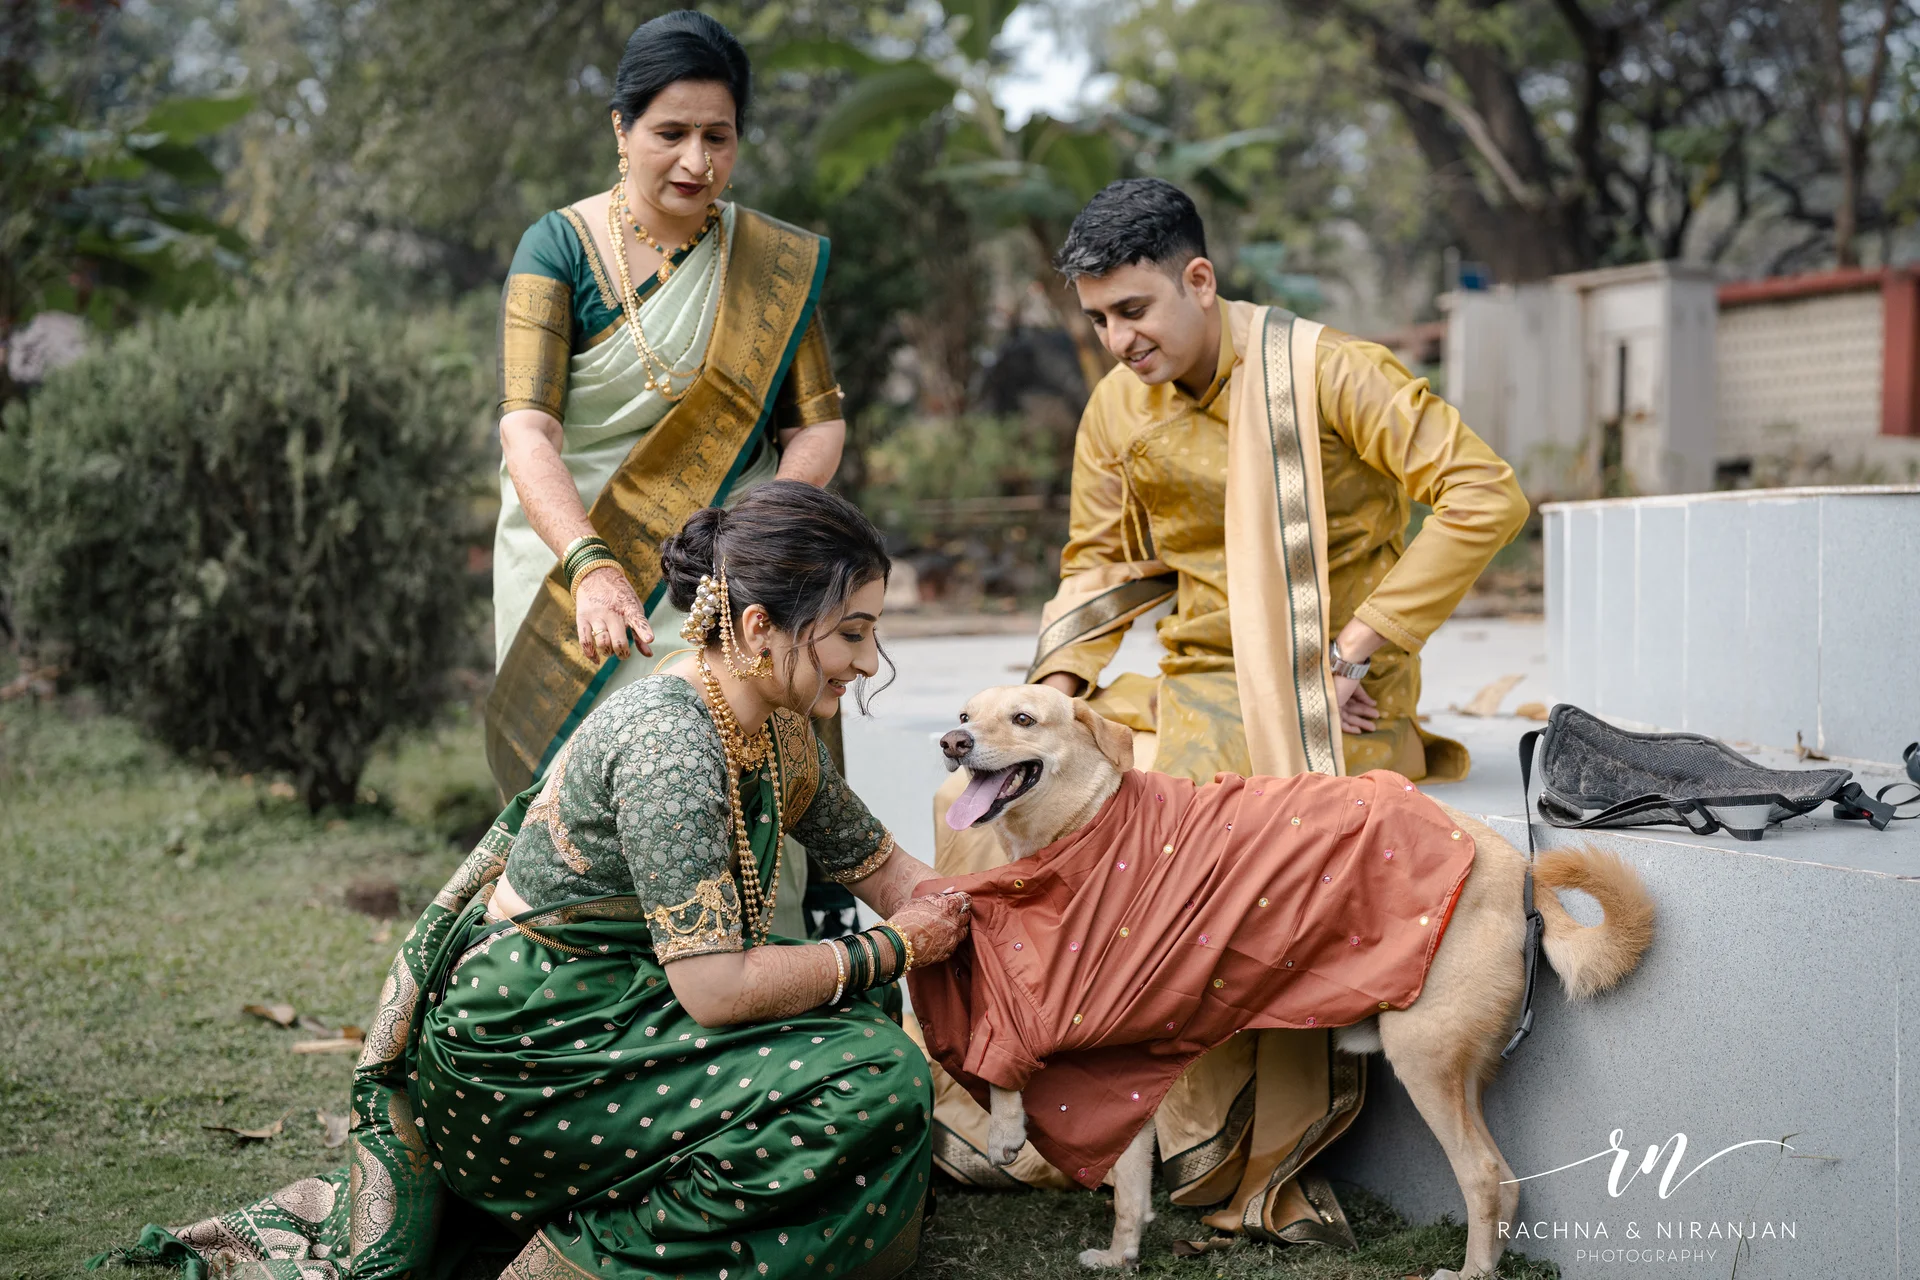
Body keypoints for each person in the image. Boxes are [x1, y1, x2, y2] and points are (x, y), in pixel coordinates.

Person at [103, 483, 973, 1280]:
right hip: (528, 1056)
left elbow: (886, 870)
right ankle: (567, 1264)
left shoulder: (771, 729)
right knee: (872, 1078)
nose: (867, 662)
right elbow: (715, 988)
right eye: (852, 632)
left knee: (861, 1024)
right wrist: (892, 948)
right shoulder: (671, 746)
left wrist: (983, 905)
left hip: (619, 1016)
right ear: (756, 629)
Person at [924, 179, 1528, 1244]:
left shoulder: (1327, 371)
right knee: (970, 798)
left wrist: (1366, 640)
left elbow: (1486, 492)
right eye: (1100, 317)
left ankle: (1226, 1156)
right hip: (1185, 675)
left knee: (1180, 836)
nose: (1118, 339)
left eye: (1137, 309)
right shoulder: (1118, 406)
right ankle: (1011, 1102)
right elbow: (1099, 563)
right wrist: (1052, 700)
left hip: (1323, 688)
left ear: (1200, 280)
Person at [487, 11, 848, 802]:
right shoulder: (555, 248)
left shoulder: (774, 265)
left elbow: (815, 424)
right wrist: (589, 566)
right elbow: (528, 425)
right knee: (586, 797)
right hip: (572, 552)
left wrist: (763, 542)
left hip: (730, 573)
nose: (697, 161)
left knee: (733, 783)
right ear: (622, 128)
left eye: (718, 137)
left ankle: (748, 932)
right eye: (671, 132)